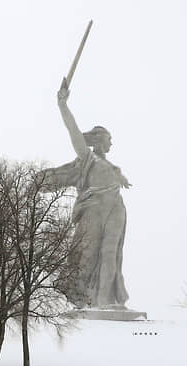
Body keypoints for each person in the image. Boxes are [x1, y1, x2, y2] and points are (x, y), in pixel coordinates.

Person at [40, 78, 130, 308]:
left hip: (116, 208)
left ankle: (105, 300)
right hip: (94, 210)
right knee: (88, 255)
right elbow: (74, 133)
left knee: (111, 254)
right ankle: (88, 299)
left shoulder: (111, 166)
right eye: (110, 138)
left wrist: (119, 177)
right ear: (100, 140)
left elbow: (114, 176)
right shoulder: (88, 158)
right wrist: (63, 105)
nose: (112, 143)